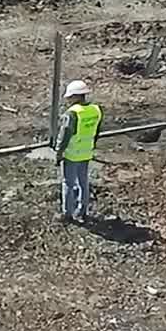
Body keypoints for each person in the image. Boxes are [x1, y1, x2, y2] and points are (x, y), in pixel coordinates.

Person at [53, 79, 102, 224]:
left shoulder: (72, 114)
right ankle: (82, 211)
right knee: (83, 182)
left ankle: (67, 213)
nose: (68, 100)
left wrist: (58, 152)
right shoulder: (95, 110)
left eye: (69, 97)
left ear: (75, 97)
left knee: (68, 183)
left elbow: (65, 135)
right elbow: (97, 131)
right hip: (86, 152)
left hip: (72, 153)